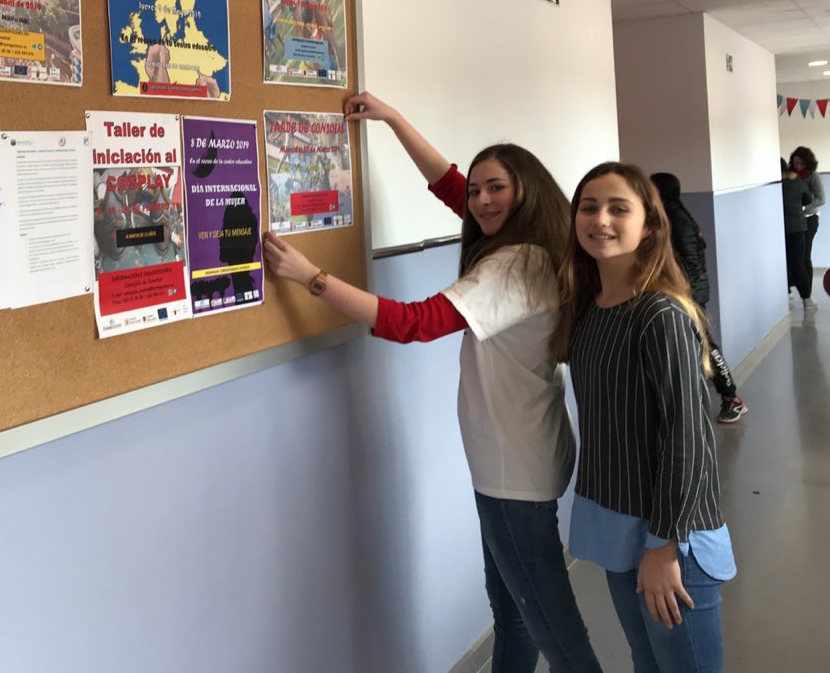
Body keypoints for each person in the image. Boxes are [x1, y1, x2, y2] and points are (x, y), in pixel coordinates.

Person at [263, 92, 600, 673]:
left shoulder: (515, 266)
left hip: (513, 470)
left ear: (527, 189)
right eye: (478, 190)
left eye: (497, 187)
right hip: (522, 457)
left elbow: (412, 324)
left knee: (552, 626)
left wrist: (309, 276)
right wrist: (393, 120)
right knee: (516, 615)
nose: (481, 200)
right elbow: (450, 184)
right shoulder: (537, 246)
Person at [553, 163, 736, 673]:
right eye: (588, 207)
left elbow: (689, 438)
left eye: (618, 208)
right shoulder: (590, 311)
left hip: (671, 541)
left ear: (649, 225)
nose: (600, 219)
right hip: (622, 530)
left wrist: (664, 547)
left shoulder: (661, 315)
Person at [649, 173, 748, 423]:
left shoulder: (677, 221)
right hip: (684, 293)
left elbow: (691, 264)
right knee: (695, 345)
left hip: (689, 295)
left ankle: (732, 399)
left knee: (705, 344)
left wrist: (687, 297)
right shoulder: (671, 217)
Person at [789, 146, 824, 306]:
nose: (798, 166)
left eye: (801, 163)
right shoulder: (791, 176)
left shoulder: (813, 177)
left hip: (809, 219)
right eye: (795, 163)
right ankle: (792, 289)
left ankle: (807, 292)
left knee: (805, 256)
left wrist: (803, 208)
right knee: (795, 257)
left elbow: (821, 199)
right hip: (795, 221)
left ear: (807, 163)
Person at [781, 158, 814, 308]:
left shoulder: (776, 185)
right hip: (798, 227)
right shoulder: (798, 182)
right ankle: (807, 299)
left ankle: (786, 293)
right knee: (798, 264)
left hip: (779, 228)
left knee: (783, 263)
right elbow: (808, 199)